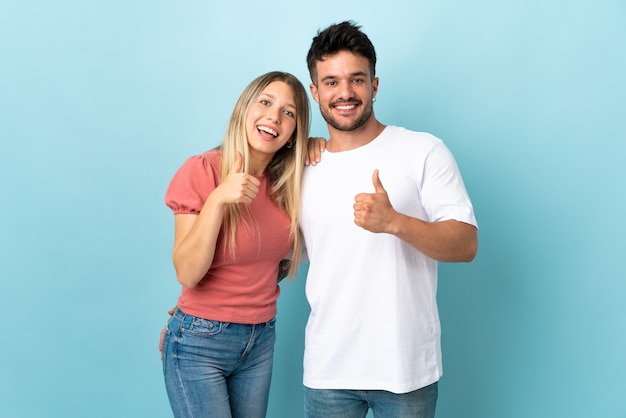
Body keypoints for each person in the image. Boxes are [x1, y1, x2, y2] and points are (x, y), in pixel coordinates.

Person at [299, 21, 479, 418]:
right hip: (328, 370)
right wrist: (196, 312)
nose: (344, 92)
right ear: (315, 92)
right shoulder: (301, 167)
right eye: (330, 82)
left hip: (406, 370)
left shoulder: (422, 151)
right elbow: (275, 257)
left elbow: (466, 244)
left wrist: (395, 222)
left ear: (374, 85)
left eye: (356, 79)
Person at [160, 71, 310, 418]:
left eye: (289, 113)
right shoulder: (203, 169)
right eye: (266, 102)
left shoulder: (286, 185)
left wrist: (316, 144)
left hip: (260, 340)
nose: (274, 116)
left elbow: (265, 264)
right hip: (200, 342)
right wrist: (218, 200)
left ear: (293, 134)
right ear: (245, 108)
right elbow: (187, 272)